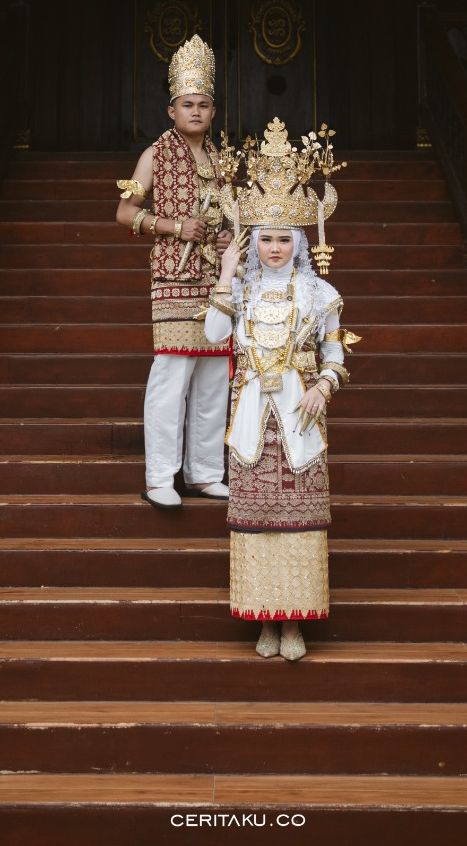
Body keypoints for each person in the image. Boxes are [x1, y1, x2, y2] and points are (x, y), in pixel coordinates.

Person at [204, 119, 355, 662]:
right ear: (254, 242)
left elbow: (335, 354)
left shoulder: (320, 293)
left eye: (283, 238)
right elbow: (213, 335)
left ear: (299, 242)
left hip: (299, 417)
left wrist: (323, 388)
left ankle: (295, 626)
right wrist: (225, 272)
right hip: (250, 421)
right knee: (256, 525)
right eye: (265, 238)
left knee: (299, 524)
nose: (273, 247)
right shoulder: (240, 290)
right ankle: (264, 621)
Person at [114, 34, 232, 510]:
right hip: (173, 279)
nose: (196, 112)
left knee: (214, 378)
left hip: (216, 281)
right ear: (172, 110)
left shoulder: (223, 160)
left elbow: (231, 219)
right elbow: (124, 211)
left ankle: (205, 473)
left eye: (203, 104)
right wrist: (173, 226)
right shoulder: (155, 156)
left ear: (213, 111)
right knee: (172, 376)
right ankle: (161, 476)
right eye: (187, 104)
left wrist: (225, 238)